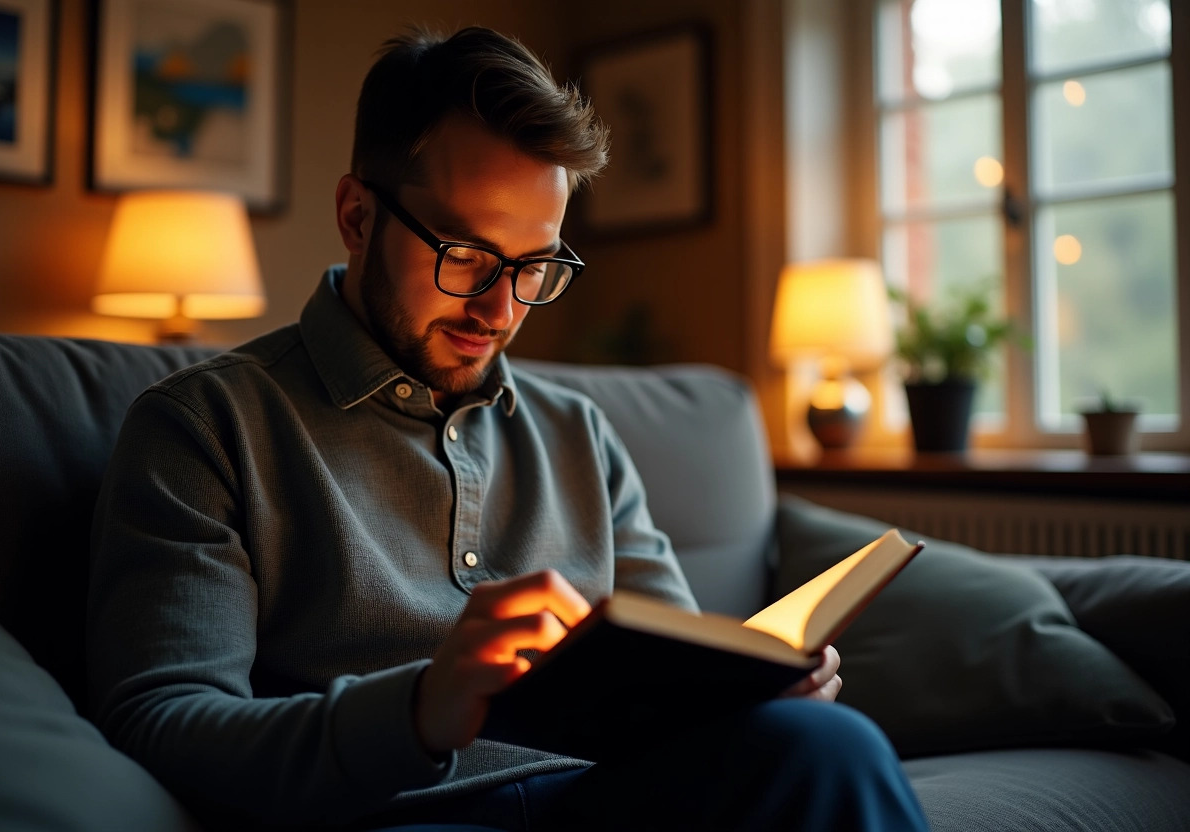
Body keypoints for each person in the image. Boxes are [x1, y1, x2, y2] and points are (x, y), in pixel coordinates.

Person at [86, 25, 929, 832]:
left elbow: (680, 677)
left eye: (535, 267)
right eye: (464, 255)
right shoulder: (205, 426)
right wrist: (419, 711)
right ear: (356, 217)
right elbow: (165, 724)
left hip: (604, 804)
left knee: (828, 742)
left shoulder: (578, 433)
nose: (499, 308)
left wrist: (749, 691)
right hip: (386, 818)